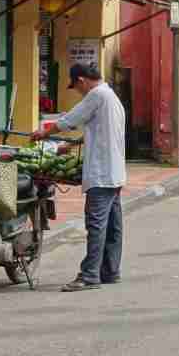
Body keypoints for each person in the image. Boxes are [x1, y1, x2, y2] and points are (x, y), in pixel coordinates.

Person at [32, 63, 127, 291]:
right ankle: (110, 271)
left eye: (76, 86)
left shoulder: (96, 95)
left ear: (82, 80)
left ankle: (89, 275)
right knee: (113, 226)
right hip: (114, 171)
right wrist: (73, 144)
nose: (77, 90)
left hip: (101, 173)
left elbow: (70, 120)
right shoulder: (111, 97)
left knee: (96, 225)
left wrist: (44, 132)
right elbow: (101, 131)